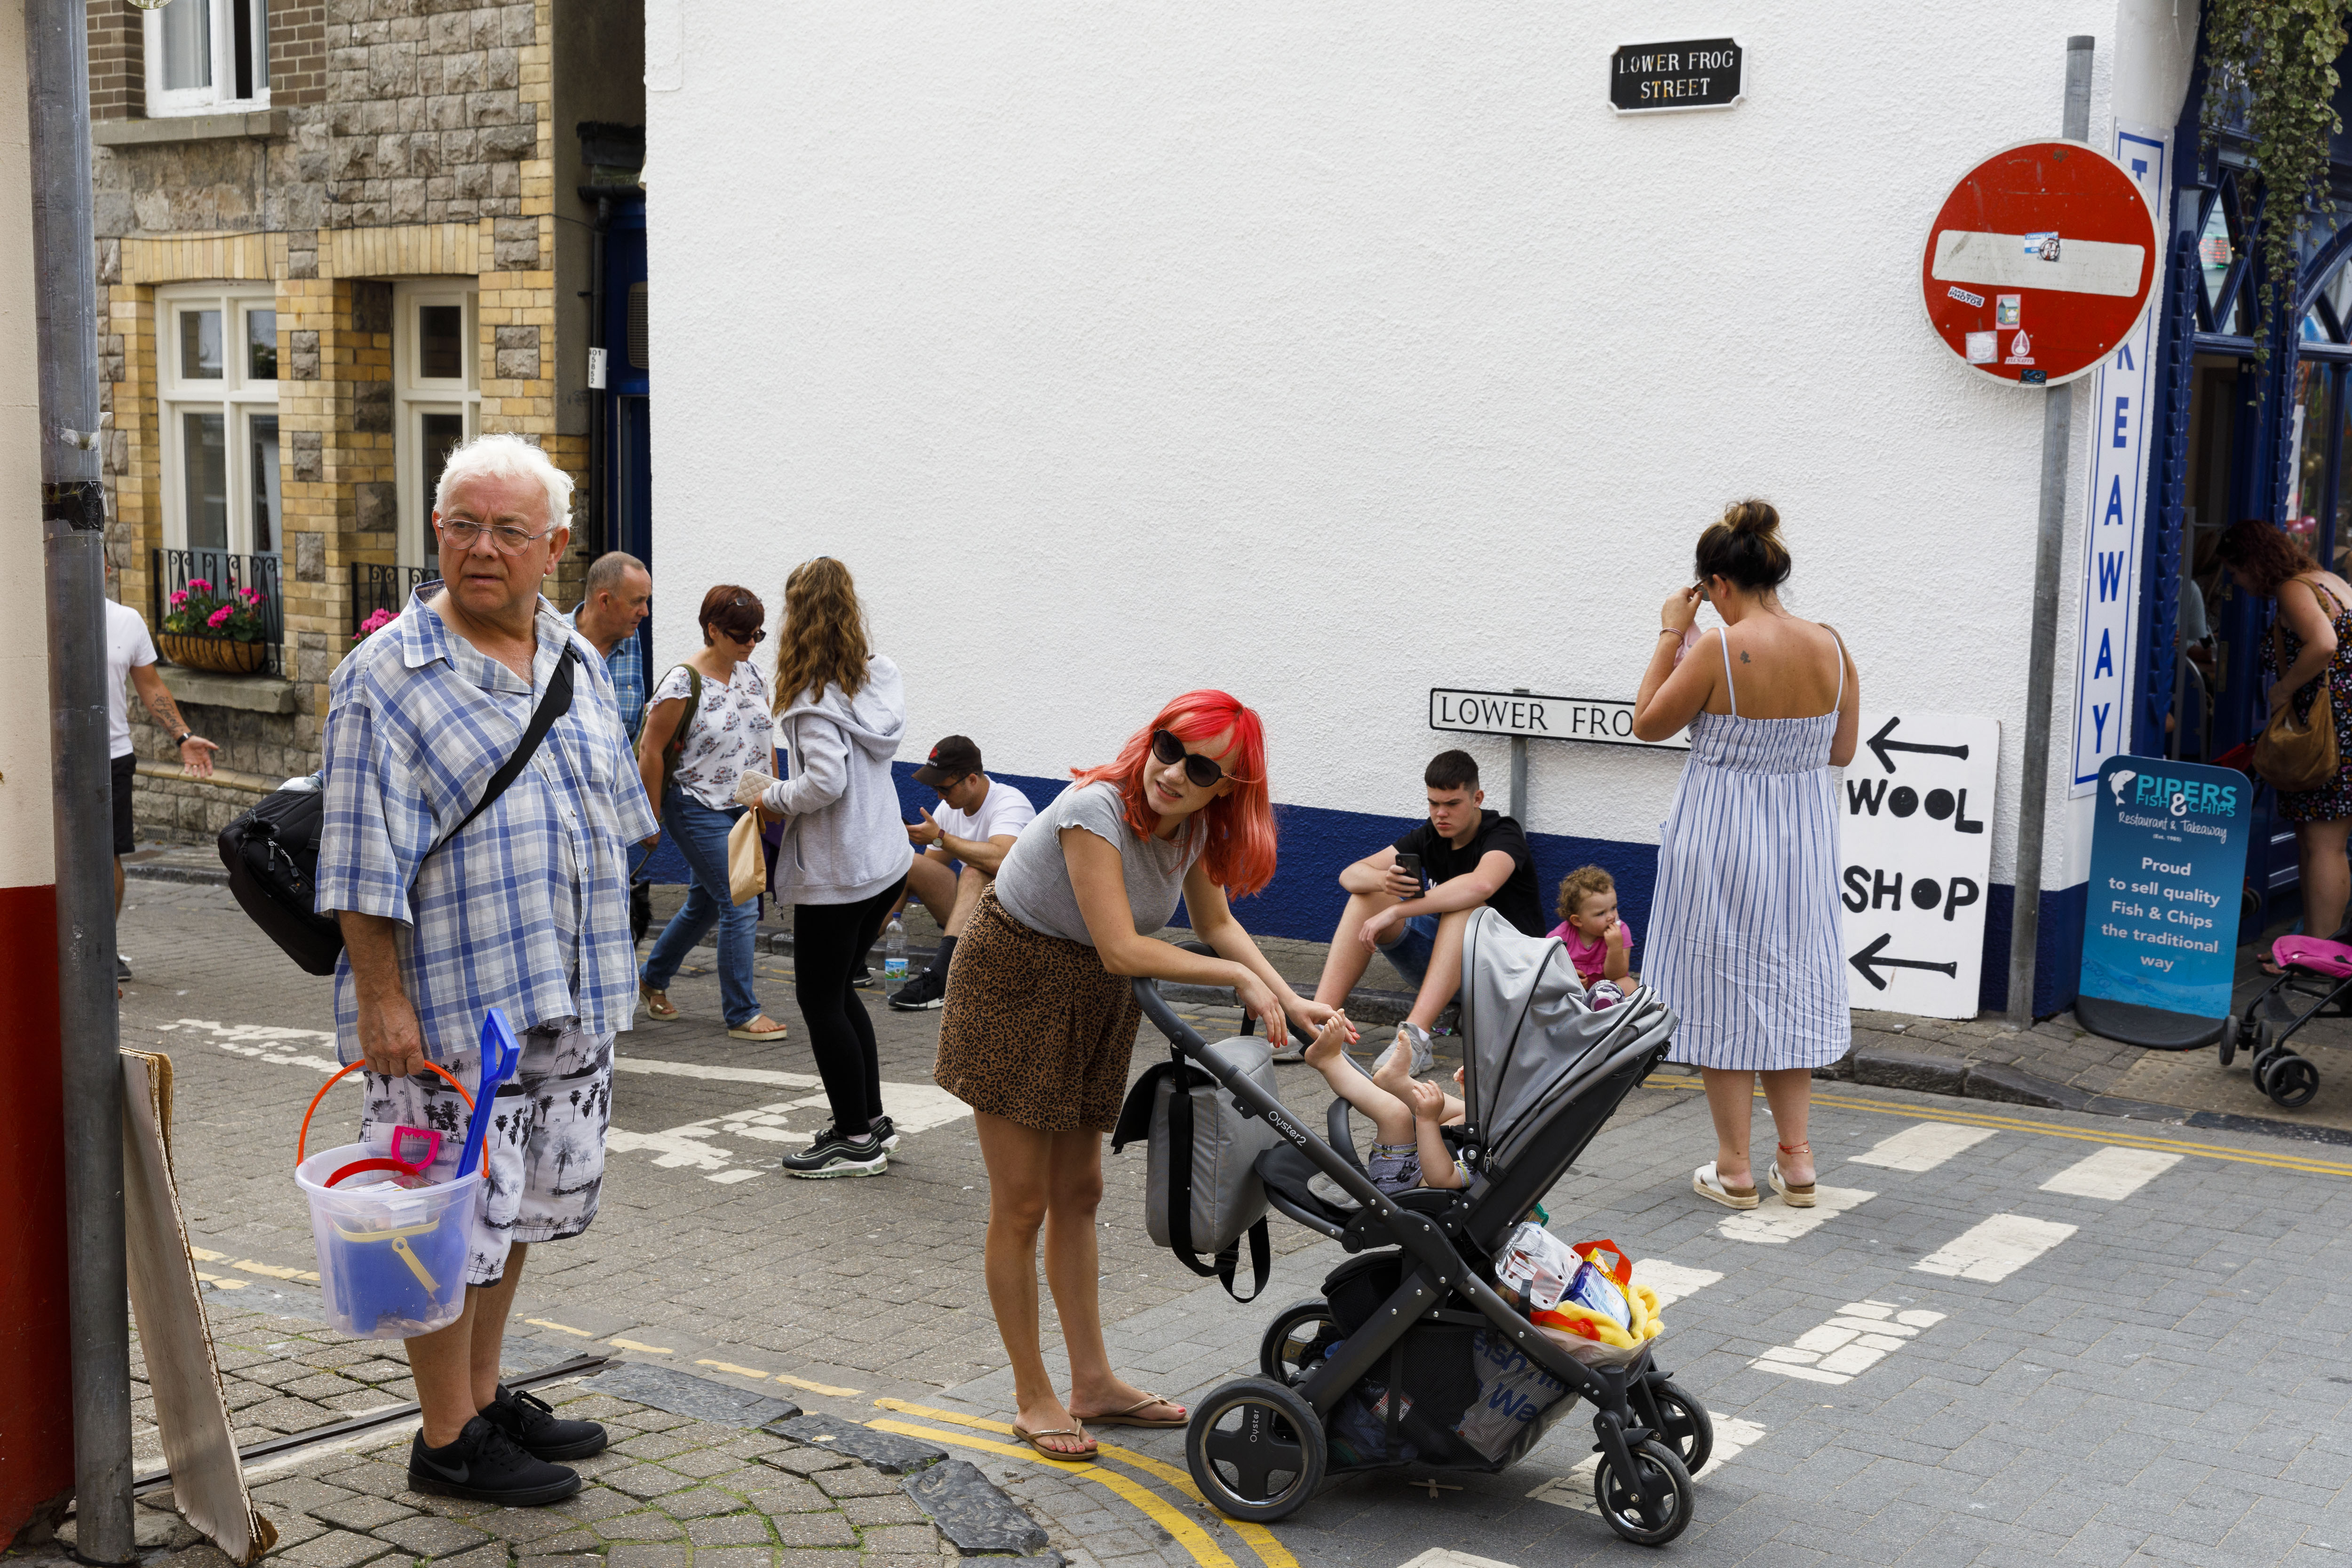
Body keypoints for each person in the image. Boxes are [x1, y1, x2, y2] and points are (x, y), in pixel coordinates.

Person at [315, 431, 656, 1506]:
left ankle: (484, 1388)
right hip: (447, 1008)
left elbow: (614, 816)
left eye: (509, 530)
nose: (482, 547)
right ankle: (446, 1436)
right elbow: (359, 863)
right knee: (446, 1217)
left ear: (553, 545)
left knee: (522, 1211)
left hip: (563, 991)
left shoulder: (578, 660)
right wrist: (382, 1000)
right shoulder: (384, 677)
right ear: (436, 533)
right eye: (463, 524)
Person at [930, 691, 1338, 1461]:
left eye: (1203, 765)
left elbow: (1217, 924)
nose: (1175, 770)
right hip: (1016, 979)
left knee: (1079, 1192)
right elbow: (1123, 946)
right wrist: (1234, 981)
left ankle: (1092, 1382)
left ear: (1229, 787)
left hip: (1091, 994)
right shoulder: (1097, 808)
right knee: (1020, 1203)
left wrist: (1288, 996)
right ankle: (1032, 1394)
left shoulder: (1199, 828)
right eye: (1168, 745)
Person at [1633, 499, 1859, 1214]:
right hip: (1803, 834)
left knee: (1719, 986)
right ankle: (1797, 1162)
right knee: (1789, 979)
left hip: (1723, 831)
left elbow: (1647, 723)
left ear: (1718, 585)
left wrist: (1673, 631)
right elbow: (1842, 750)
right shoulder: (1831, 643)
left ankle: (1734, 1167)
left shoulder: (1717, 647)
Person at [733, 558, 913, 1177]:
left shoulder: (812, 696)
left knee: (819, 997)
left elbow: (826, 782)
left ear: (797, 615)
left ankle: (855, 1139)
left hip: (839, 871)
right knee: (838, 991)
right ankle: (872, 1120)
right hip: (884, 861)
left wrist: (770, 796)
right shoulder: (872, 678)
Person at [1303, 749, 1546, 1069]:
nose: (1440, 814)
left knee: (1467, 908)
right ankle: (1319, 1023)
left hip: (1510, 975)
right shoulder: (1430, 836)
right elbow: (1349, 875)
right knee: (1368, 895)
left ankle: (1416, 1037)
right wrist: (1382, 880)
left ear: (1477, 798)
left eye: (1452, 804)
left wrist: (1400, 911)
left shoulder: (1503, 833)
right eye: (1434, 803)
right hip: (1453, 972)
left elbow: (1481, 885)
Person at [635, 585, 789, 1042]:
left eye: (757, 634)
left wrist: (775, 798)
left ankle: (651, 978)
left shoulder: (754, 675)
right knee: (739, 901)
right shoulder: (684, 682)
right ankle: (742, 1013)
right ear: (712, 630)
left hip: (746, 806)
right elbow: (651, 749)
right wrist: (651, 816)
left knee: (705, 903)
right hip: (696, 804)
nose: (749, 643)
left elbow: (765, 740)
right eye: (739, 634)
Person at [2217, 518, 2352, 944]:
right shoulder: (2327, 580)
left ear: (2254, 563)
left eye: (2236, 571)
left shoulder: (2294, 589)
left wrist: (2283, 689)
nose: (2236, 582)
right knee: (2324, 843)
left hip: (2324, 732)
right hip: (2341, 727)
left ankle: (2319, 956)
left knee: (2323, 845)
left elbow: (2325, 643)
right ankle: (2313, 946)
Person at [105, 575, 218, 976]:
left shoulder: (126, 621)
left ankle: (104, 949)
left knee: (109, 854)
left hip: (112, 756)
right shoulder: (38, 619)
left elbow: (151, 686)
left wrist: (183, 736)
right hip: (49, 759)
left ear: (103, 569)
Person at [887, 735, 1037, 1011]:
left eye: (944, 789)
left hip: (1018, 929)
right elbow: (930, 869)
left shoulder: (1010, 802)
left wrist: (941, 837)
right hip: (976, 921)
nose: (939, 796)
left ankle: (943, 977)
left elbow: (1004, 859)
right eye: (935, 789)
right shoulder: (949, 807)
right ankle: (853, 961)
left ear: (972, 779)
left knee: (973, 872)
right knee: (908, 864)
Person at [563, 551, 654, 939]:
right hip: (567, 817)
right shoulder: (551, 646)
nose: (645, 612)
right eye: (638, 601)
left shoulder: (627, 642)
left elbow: (630, 733)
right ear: (604, 601)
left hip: (614, 816)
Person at [1298, 1011, 1467, 1195]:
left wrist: (1428, 1121)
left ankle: (1329, 1062)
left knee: (1397, 1115)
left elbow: (1442, 1180)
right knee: (1466, 1113)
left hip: (1406, 1185)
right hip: (1450, 1149)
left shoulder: (1492, 1162)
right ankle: (1396, 1083)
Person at [1545, 866, 1632, 994]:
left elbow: (1616, 976)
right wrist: (1569, 976)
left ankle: (1615, 1014)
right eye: (1601, 913)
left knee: (1627, 984)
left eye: (1613, 908)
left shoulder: (1621, 932)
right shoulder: (1560, 937)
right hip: (1572, 994)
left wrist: (1615, 947)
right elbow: (1545, 969)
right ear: (1578, 921)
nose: (1611, 917)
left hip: (1607, 996)